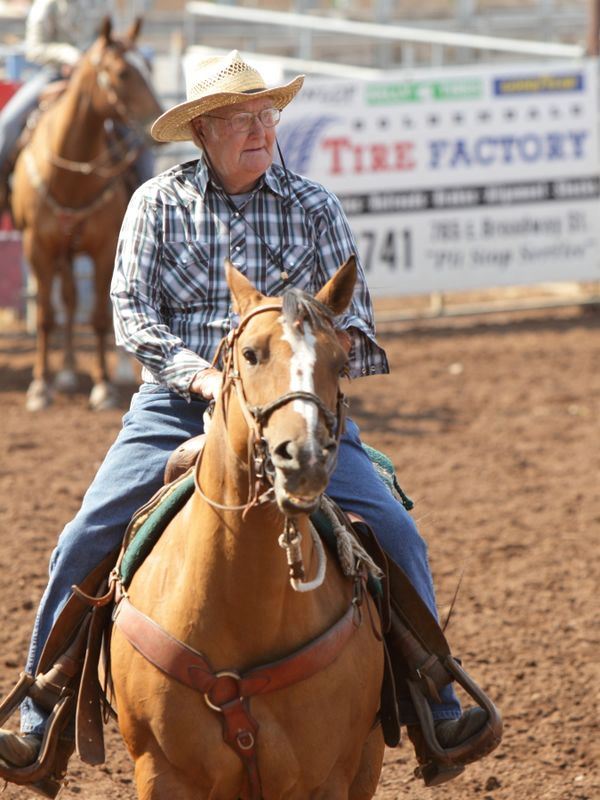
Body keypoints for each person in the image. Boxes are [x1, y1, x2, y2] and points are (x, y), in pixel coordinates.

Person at [0, 50, 497, 795]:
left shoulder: (315, 207)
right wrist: (203, 377)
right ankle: (42, 702)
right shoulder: (155, 204)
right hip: (176, 408)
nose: (261, 129)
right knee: (86, 533)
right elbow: (132, 317)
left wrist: (314, 365)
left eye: (267, 114)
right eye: (239, 118)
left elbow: (353, 319)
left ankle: (435, 698)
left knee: (391, 527)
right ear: (203, 131)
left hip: (297, 408)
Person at [0, 0, 153, 209]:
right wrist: (70, 57)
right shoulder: (47, 5)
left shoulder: (100, 4)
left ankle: (146, 204)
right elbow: (34, 47)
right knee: (7, 124)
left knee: (136, 137)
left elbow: (109, 40)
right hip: (54, 74)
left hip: (96, 77)